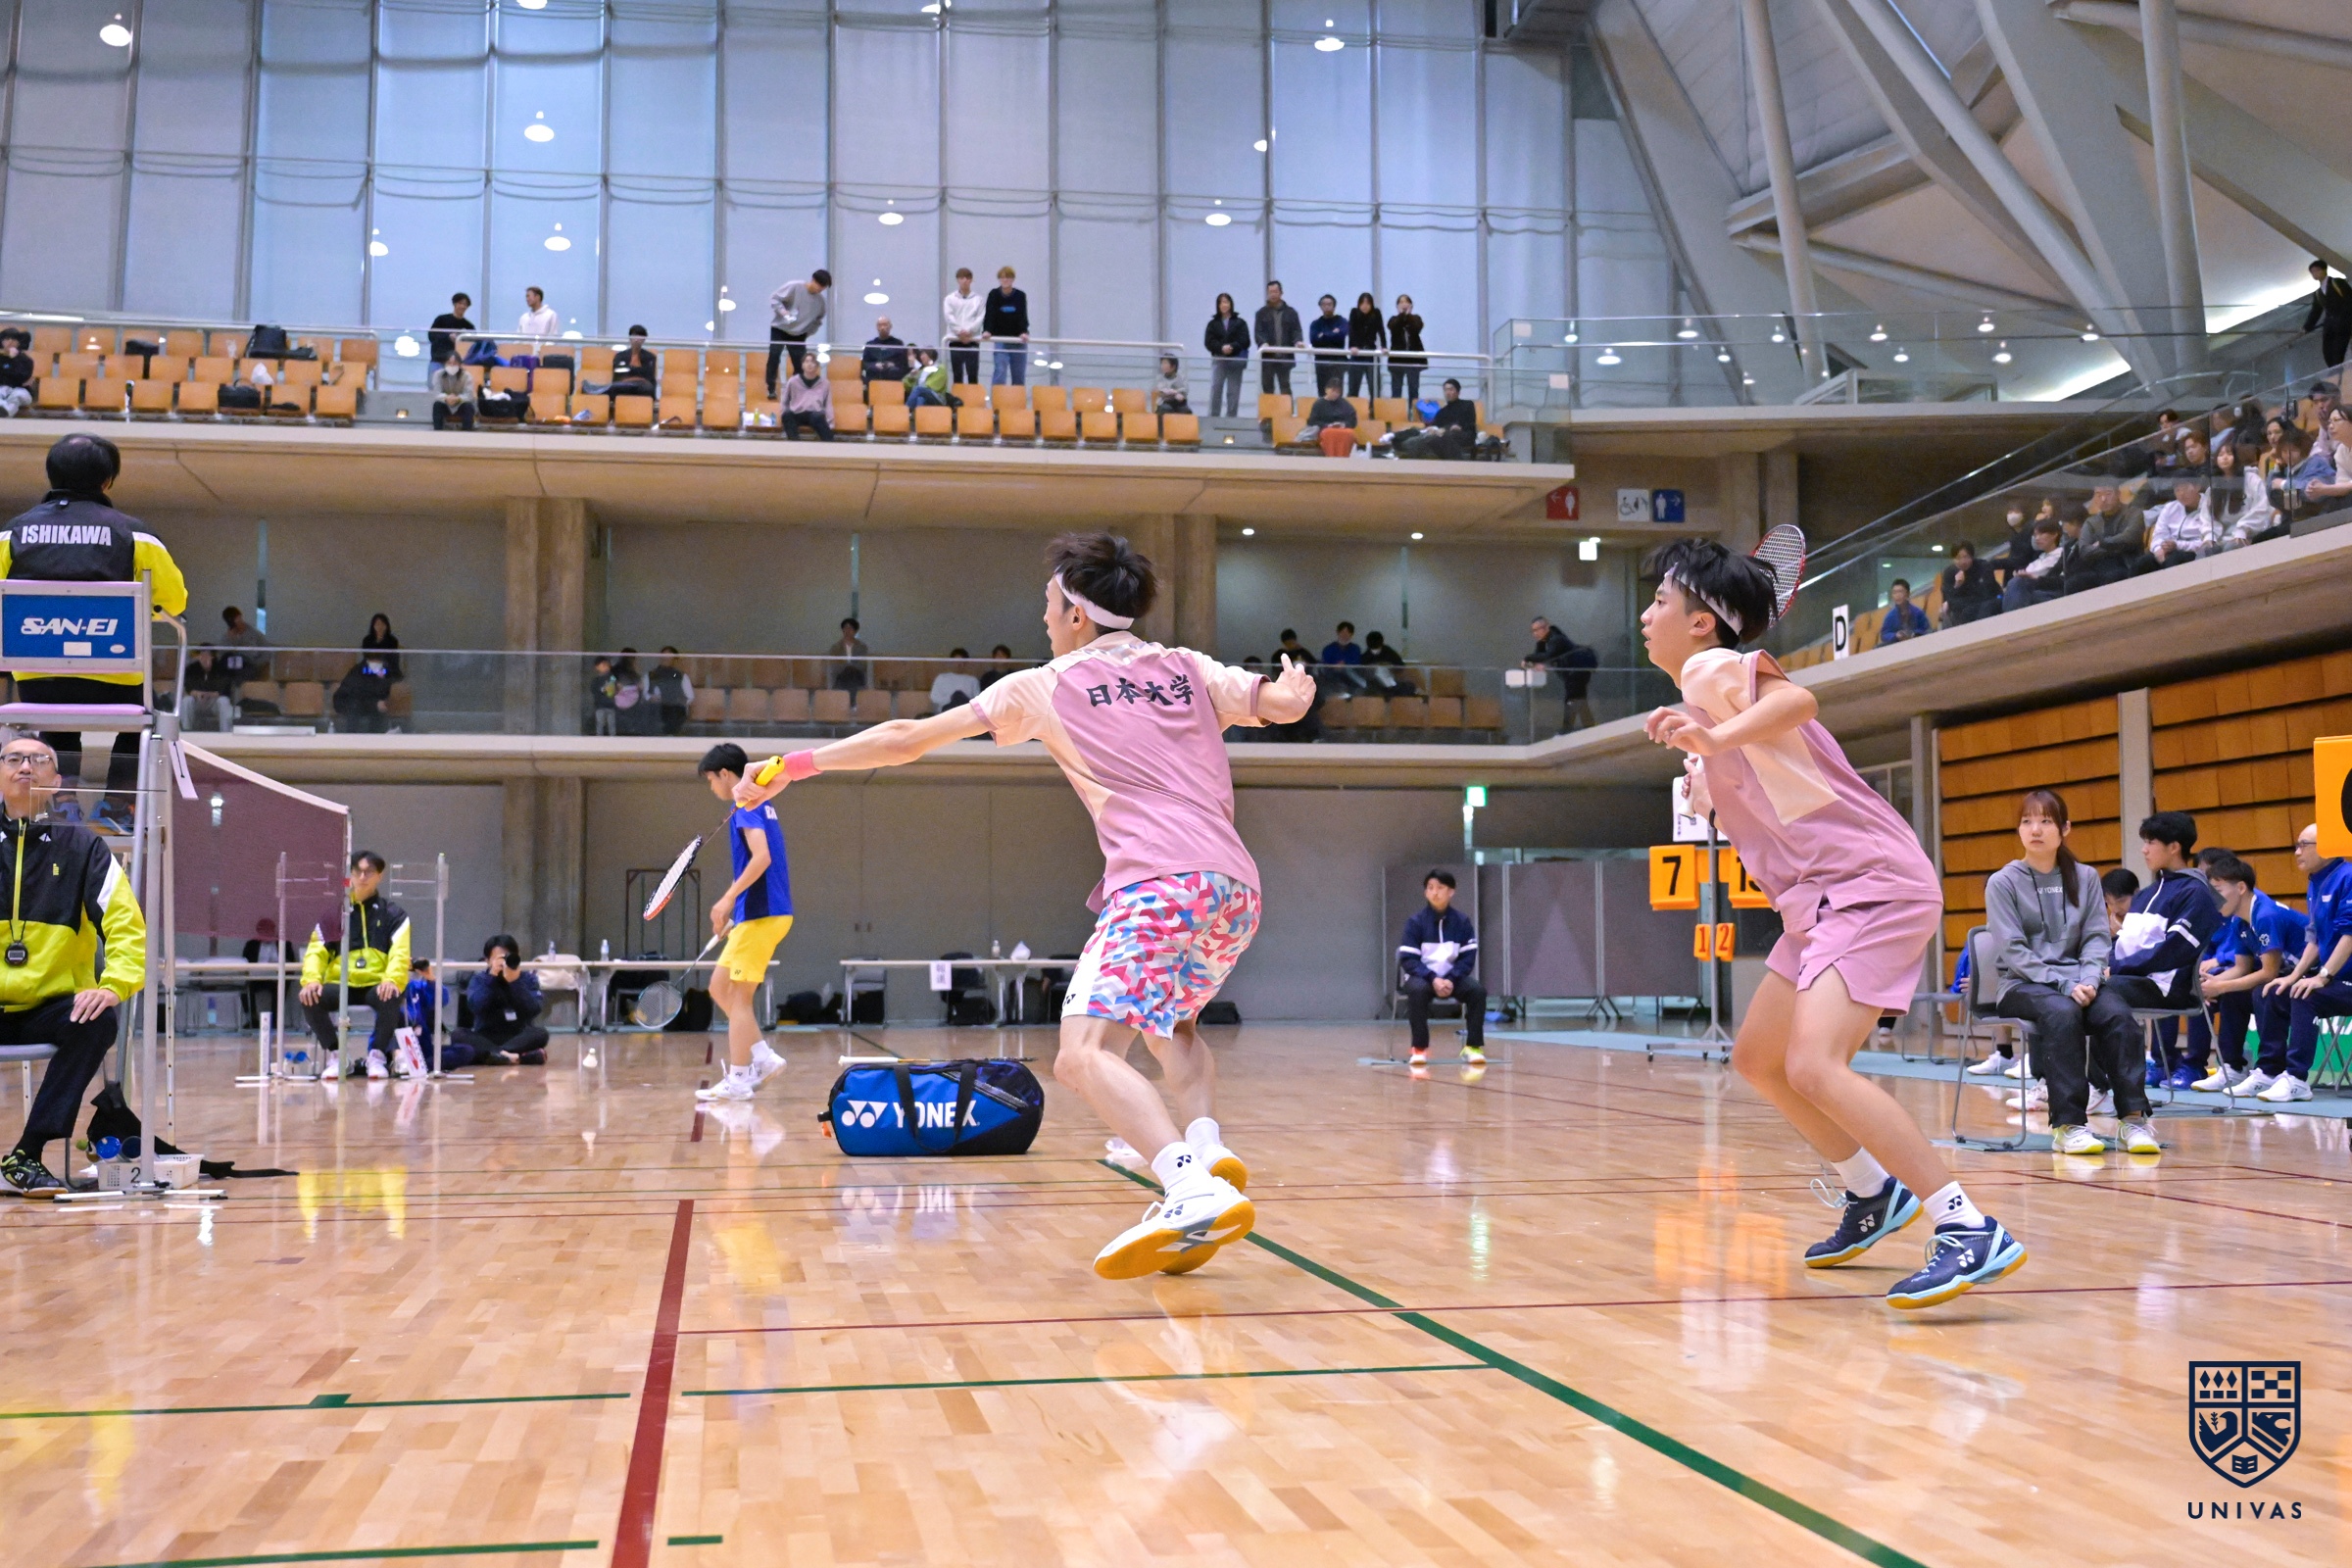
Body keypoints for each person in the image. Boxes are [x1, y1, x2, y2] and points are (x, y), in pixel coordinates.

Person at [732, 532, 1315, 1278]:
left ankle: (1187, 1186)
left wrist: (792, 764)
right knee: (1172, 1025)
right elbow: (1278, 703)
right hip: (1233, 889)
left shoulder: (1044, 684)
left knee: (1082, 1055)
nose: (1042, 618)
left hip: (1159, 884)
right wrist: (1291, 692)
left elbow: (906, 739)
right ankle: (1205, 1146)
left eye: (1047, 604)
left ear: (1076, 613)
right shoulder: (1186, 667)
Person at [1640, 538, 2022, 1308]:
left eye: (1660, 601)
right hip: (1815, 904)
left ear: (1703, 622)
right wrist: (1708, 773)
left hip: (1866, 886)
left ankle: (1967, 1225)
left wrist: (1715, 740)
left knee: (1815, 1064)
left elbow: (1797, 701)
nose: (1646, 615)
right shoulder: (1702, 704)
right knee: (1760, 1059)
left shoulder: (1711, 671)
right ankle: (1872, 1192)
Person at [0, 434, 189, 830]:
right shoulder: (135, 536)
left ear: (51, 476)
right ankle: (118, 805)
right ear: (107, 481)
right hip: (115, 679)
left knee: (57, 720)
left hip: (38, 682)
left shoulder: (11, 535)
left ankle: (62, 800)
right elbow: (174, 602)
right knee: (149, 716)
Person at [0, 739, 148, 1195]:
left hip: (51, 1007)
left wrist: (113, 985)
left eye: (39, 760)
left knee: (98, 1020)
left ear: (57, 782)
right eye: (13, 758)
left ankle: (26, 1154)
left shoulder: (85, 848)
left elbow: (125, 925)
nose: (26, 766)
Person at [1980, 789, 2151, 1156]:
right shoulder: (2003, 882)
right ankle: (2069, 1125)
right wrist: (2064, 983)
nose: (2035, 829)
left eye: (2045, 821)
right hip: (2023, 984)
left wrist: (2088, 979)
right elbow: (2013, 950)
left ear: (2065, 828)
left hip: (2080, 982)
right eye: (2027, 821)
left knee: (2118, 1016)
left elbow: (2096, 938)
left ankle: (2133, 1120)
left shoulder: (2085, 877)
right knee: (2062, 1013)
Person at [693, 745, 795, 1102]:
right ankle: (763, 1057)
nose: (712, 787)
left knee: (738, 998)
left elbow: (762, 858)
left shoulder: (746, 804)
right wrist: (738, 913)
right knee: (720, 988)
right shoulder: (759, 803)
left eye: (711, 779)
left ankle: (738, 1079)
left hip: (764, 914)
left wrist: (727, 899)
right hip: (757, 914)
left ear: (725, 774)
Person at [2099, 809, 2220, 1095]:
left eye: (2150, 842)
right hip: (2135, 980)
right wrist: (2105, 966)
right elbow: (2123, 945)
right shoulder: (2145, 895)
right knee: (2073, 987)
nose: (2144, 849)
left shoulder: (2196, 893)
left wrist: (2116, 970)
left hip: (2169, 988)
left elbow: (2172, 952)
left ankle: (2101, 1085)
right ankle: (2060, 1080)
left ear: (2174, 847)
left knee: (2099, 992)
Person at [2236, 824, 2352, 1103]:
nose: (2297, 852)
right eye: (2296, 845)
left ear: (2326, 847)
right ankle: (2270, 1071)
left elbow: (2350, 935)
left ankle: (2298, 1079)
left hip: (2346, 980)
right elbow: (2315, 937)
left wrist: (2322, 976)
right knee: (2272, 991)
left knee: (2305, 995)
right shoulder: (2316, 881)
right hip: (2336, 978)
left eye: (2304, 845)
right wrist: (2293, 976)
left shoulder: (2348, 876)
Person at [2192, 856, 2306, 1093]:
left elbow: (2268, 973)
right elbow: (2241, 968)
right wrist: (2206, 986)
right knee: (2234, 995)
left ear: (2241, 888)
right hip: (2288, 976)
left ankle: (2270, 1071)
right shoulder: (2238, 920)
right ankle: (2232, 1068)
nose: (2213, 899)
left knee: (2264, 992)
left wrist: (2221, 986)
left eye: (2218, 890)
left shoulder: (2265, 915)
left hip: (2316, 976)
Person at [299, 851, 412, 1082]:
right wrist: (312, 980)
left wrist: (391, 980)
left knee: (392, 995)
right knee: (310, 998)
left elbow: (400, 954)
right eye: (357, 871)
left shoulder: (395, 914)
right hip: (341, 984)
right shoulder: (334, 915)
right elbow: (316, 951)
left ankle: (377, 1057)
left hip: (376, 984)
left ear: (380, 876)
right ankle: (338, 1056)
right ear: (349, 874)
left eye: (369, 872)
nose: (362, 877)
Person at [1398, 869, 1484, 1066]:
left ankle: (1473, 1047)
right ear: (1425, 892)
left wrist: (1451, 979)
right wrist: (1432, 978)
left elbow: (1468, 957)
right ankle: (1419, 1049)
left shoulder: (1462, 922)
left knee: (1477, 992)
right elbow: (1408, 959)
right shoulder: (1415, 922)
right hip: (1423, 977)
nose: (1434, 892)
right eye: (1430, 888)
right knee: (1417, 992)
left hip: (1453, 977)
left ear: (1451, 891)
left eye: (1440, 887)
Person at [453, 935, 550, 1067]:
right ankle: (518, 1057)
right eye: (499, 958)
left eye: (508, 957)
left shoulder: (527, 978)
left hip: (518, 1036)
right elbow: (476, 1006)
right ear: (487, 961)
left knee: (541, 1034)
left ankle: (495, 1055)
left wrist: (515, 983)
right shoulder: (480, 979)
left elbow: (534, 1009)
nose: (504, 962)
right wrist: (492, 979)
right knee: (458, 1035)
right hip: (486, 1035)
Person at [763, 270, 829, 395]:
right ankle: (771, 388)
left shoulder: (820, 302)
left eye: (823, 288)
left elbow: (818, 320)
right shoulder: (795, 286)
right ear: (813, 280)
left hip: (799, 334)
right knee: (774, 356)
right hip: (780, 329)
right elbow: (775, 299)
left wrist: (808, 332)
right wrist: (783, 312)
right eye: (819, 285)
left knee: (801, 364)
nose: (819, 289)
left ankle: (795, 389)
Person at [1525, 615, 1595, 731]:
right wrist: (1536, 662)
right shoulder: (1543, 642)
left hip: (1576, 672)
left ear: (1546, 628)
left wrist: (1528, 658)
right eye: (1533, 631)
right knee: (1579, 700)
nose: (1535, 634)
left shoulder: (1557, 639)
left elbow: (1548, 656)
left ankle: (1567, 729)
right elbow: (1540, 656)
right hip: (1571, 674)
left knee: (1572, 699)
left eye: (1537, 630)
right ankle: (1589, 728)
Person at [2134, 477, 2213, 572]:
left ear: (2197, 487)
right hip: (2170, 550)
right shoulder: (2170, 507)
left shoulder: (2209, 505)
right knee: (2142, 563)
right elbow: (2159, 534)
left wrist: (2177, 545)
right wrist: (2159, 549)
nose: (2181, 493)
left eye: (2185, 488)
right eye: (2177, 490)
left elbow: (2207, 540)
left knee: (2174, 560)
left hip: (2194, 552)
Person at [1998, 517, 2065, 611]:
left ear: (2054, 534)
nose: (2037, 538)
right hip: (2032, 589)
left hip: (2049, 591)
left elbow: (2040, 574)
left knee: (2016, 584)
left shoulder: (2061, 554)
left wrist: (2026, 576)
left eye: (2041, 534)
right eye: (2035, 535)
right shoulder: (2039, 557)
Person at [2303, 258, 2352, 371]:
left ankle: (2337, 371)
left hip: (2344, 322)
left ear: (2324, 270)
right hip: (2330, 325)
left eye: (2316, 270)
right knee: (2327, 351)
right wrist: (2307, 327)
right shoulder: (2318, 293)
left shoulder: (2337, 282)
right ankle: (2334, 371)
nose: (2314, 274)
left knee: (2338, 349)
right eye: (2312, 272)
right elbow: (2316, 311)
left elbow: (2350, 299)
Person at [1204, 293, 1249, 417]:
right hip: (1219, 359)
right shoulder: (1213, 324)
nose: (1224, 305)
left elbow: (1245, 340)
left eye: (1226, 302)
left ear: (1230, 304)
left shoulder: (1240, 323)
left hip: (1235, 360)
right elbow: (1209, 342)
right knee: (1216, 388)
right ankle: (1214, 416)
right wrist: (1221, 348)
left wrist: (1232, 347)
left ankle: (1231, 417)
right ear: (1218, 305)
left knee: (1233, 391)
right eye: (1221, 302)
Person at [1254, 280, 1301, 396]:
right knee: (1267, 387)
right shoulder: (1261, 313)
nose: (1273, 294)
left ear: (1281, 292)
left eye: (1275, 291)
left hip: (1285, 356)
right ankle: (1269, 409)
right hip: (1268, 357)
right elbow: (1258, 332)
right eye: (1270, 292)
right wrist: (1263, 343)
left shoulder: (1291, 312)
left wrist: (1297, 342)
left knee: (1285, 386)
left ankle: (1287, 408)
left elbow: (1296, 330)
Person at [985, 266, 1030, 387]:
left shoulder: (1020, 295)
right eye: (1002, 278)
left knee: (1019, 374)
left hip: (1018, 340)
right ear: (999, 279)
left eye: (1008, 277)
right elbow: (990, 314)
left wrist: (1023, 331)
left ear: (1013, 279)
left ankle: (1018, 398)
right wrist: (987, 330)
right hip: (1001, 339)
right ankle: (997, 397)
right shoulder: (994, 294)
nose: (1005, 280)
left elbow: (1022, 315)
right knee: (1000, 370)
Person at [1938, 543, 1998, 625]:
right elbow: (1948, 599)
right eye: (1958, 558)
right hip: (1965, 608)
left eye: (1966, 557)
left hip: (1987, 602)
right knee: (1954, 613)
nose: (1963, 561)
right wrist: (1957, 586)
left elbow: (1987, 593)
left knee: (1981, 608)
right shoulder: (1949, 573)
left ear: (1972, 556)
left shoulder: (1983, 566)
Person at [943, 268, 984, 386]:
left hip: (972, 340)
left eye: (967, 278)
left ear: (971, 280)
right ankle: (957, 398)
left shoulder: (978, 299)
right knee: (957, 374)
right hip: (955, 339)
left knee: (973, 374)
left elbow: (980, 318)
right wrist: (959, 332)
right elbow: (949, 317)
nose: (965, 281)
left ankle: (973, 398)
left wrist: (969, 331)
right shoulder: (950, 299)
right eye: (961, 278)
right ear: (957, 280)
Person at [780, 352, 832, 441]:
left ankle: (830, 445)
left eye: (812, 362)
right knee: (787, 415)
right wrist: (783, 412)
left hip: (815, 413)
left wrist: (831, 422)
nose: (809, 364)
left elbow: (828, 404)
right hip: (797, 412)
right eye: (807, 361)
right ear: (802, 365)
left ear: (817, 365)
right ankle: (795, 444)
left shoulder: (825, 383)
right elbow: (784, 400)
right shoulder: (793, 381)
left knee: (819, 418)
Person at [597, 326, 657, 397]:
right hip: (624, 387)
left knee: (646, 388)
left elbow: (649, 378)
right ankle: (594, 389)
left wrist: (632, 379)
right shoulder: (620, 356)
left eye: (640, 336)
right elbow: (618, 376)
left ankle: (596, 390)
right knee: (616, 387)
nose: (637, 339)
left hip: (642, 388)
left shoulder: (649, 357)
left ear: (644, 339)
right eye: (634, 336)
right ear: (630, 338)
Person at [1386, 295, 1425, 404]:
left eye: (1406, 302)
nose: (1404, 304)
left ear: (1411, 305)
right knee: (1396, 390)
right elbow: (1393, 328)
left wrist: (1408, 315)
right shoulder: (1393, 319)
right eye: (1401, 302)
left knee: (1414, 389)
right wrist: (1401, 315)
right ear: (1397, 306)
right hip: (1397, 360)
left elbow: (1417, 328)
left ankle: (1413, 411)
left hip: (1413, 360)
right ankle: (1395, 411)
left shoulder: (1416, 318)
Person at [1345, 292, 1384, 399]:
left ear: (1371, 304)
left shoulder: (1376, 313)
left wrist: (1384, 346)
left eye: (1367, 303)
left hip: (1371, 354)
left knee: (1374, 387)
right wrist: (1352, 346)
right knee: (1353, 387)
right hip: (1357, 354)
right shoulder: (1354, 312)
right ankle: (1351, 407)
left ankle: (1374, 407)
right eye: (1362, 303)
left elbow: (1381, 330)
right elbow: (1351, 330)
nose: (1365, 306)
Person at [648, 647, 693, 735]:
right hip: (657, 709)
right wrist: (650, 698)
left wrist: (681, 700)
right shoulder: (651, 675)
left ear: (674, 659)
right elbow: (646, 694)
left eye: (669, 657)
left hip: (676, 710)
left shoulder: (681, 676)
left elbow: (690, 697)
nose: (666, 659)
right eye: (664, 657)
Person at [1308, 295, 1348, 393]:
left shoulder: (1341, 321)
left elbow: (1341, 335)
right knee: (1322, 393)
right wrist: (1333, 333)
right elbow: (1314, 341)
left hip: (1338, 362)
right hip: (1321, 363)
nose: (1327, 307)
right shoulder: (1315, 324)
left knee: (1337, 392)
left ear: (1334, 306)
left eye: (1329, 304)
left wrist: (1323, 335)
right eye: (1324, 304)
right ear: (1320, 306)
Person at [430, 352, 475, 431]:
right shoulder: (438, 375)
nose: (452, 366)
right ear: (444, 364)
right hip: (445, 403)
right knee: (437, 405)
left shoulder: (467, 376)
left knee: (469, 406)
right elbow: (436, 393)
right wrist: (446, 397)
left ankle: (467, 433)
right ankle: (437, 432)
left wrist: (458, 398)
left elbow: (469, 395)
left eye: (454, 363)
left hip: (461, 404)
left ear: (460, 364)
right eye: (449, 363)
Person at [1874, 580, 1928, 645]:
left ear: (1907, 594)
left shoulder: (1918, 612)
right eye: (1894, 593)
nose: (1897, 595)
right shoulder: (1890, 616)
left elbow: (1926, 629)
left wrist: (1913, 634)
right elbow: (1884, 635)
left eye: (1900, 592)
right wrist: (1896, 635)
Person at [1302, 380, 1356, 445]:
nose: (1335, 394)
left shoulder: (1344, 403)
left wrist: (1343, 425)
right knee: (1328, 433)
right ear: (1326, 390)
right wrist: (1328, 425)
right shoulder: (1319, 404)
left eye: (1337, 392)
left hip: (1342, 429)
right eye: (1333, 391)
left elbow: (1352, 420)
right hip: (1324, 429)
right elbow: (1312, 421)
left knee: (1349, 433)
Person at [427, 293, 474, 367]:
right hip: (438, 359)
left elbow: (472, 344)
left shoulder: (469, 326)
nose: (462, 306)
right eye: (460, 303)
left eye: (465, 304)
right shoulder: (441, 319)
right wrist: (448, 336)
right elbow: (431, 336)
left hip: (457, 362)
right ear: (454, 304)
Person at [861, 317, 909, 386]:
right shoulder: (870, 345)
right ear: (877, 327)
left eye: (885, 325)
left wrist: (893, 364)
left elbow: (903, 363)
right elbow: (865, 363)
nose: (882, 328)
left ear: (890, 327)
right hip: (875, 376)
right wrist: (874, 365)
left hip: (892, 376)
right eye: (880, 325)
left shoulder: (898, 344)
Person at [1318, 622, 1364, 694]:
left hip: (1350, 678)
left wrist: (1345, 664)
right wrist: (1335, 666)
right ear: (1338, 632)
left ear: (1351, 634)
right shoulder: (1329, 648)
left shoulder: (1355, 648)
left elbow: (1357, 663)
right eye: (1343, 632)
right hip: (1333, 676)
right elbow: (1325, 664)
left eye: (1348, 632)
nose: (1345, 635)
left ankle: (1361, 686)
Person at [0, 327, 35, 416]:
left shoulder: (26, 360)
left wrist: (14, 359)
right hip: (2, 389)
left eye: (14, 339)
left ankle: (5, 412)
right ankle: (3, 410)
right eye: (7, 339)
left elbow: (22, 377)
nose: (10, 342)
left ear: (19, 342)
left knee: (17, 395)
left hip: (21, 390)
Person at [828, 618, 869, 692]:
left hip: (857, 675)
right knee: (847, 673)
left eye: (850, 628)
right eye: (845, 628)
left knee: (852, 674)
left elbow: (863, 665)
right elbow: (834, 665)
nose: (847, 631)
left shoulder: (862, 647)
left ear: (855, 631)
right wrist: (847, 667)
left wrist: (850, 667)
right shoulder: (835, 648)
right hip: (840, 676)